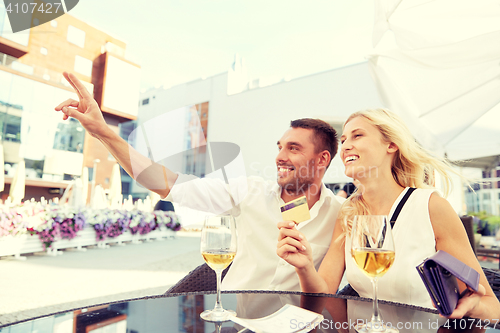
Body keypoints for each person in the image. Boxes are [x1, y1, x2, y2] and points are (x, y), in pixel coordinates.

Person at [54, 72, 343, 316]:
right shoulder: (248, 191)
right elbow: (168, 183)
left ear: (322, 160)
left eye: (293, 148)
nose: (279, 156)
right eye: (279, 146)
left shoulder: (341, 215)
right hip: (233, 322)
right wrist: (104, 131)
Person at [277, 108, 500, 321]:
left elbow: (494, 308)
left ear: (391, 144)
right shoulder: (349, 212)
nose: (345, 146)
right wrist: (304, 266)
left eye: (357, 136)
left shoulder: (430, 206)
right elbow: (323, 294)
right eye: (343, 140)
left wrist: (475, 306)